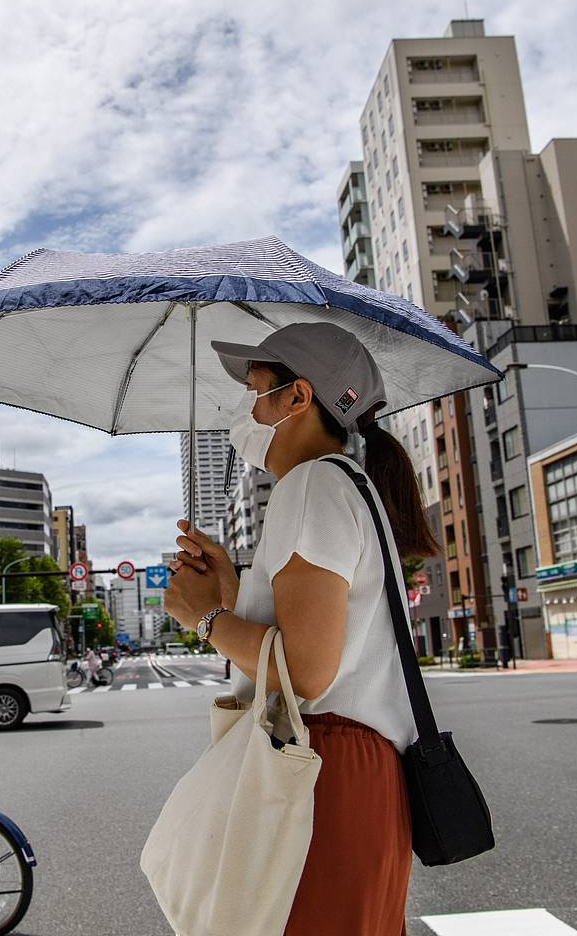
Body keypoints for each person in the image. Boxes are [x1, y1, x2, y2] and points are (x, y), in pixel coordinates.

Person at [164, 321, 431, 936]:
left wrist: (202, 616)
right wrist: (231, 592)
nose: (248, 409)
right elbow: (319, 637)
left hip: (324, 767)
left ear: (297, 398)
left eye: (256, 389)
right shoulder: (345, 485)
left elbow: (308, 670)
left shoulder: (312, 484)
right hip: (351, 767)